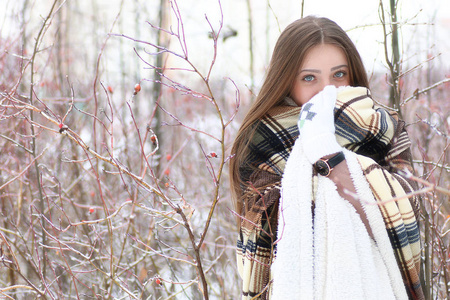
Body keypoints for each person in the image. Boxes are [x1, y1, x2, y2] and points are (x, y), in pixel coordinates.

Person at [230, 16, 424, 299]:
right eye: (309, 78)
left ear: (353, 75)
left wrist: (328, 154)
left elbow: (407, 217)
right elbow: (263, 238)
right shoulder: (261, 140)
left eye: (339, 75)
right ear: (286, 82)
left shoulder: (383, 126)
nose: (326, 90)